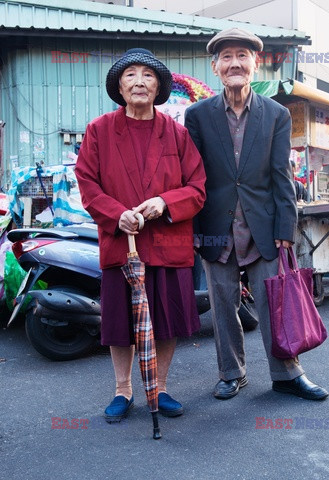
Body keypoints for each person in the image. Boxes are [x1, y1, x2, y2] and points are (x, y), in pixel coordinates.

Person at [185, 28, 328, 401]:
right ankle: (231, 373)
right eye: (227, 57)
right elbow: (194, 178)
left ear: (256, 63)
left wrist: (287, 226)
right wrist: (196, 232)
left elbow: (281, 175)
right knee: (223, 305)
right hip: (216, 227)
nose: (235, 63)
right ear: (216, 67)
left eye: (242, 56)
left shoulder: (276, 114)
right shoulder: (197, 115)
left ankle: (287, 373)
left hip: (264, 226)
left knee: (274, 303)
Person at [75, 48, 206, 421]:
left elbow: (198, 187)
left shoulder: (177, 134)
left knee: (166, 318)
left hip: (167, 241)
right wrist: (117, 215)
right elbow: (87, 182)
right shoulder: (99, 130)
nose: (139, 81)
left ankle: (160, 387)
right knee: (120, 322)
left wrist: (165, 202)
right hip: (122, 242)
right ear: (119, 86)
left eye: (148, 76)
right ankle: (123, 389)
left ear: (159, 87)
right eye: (130, 74)